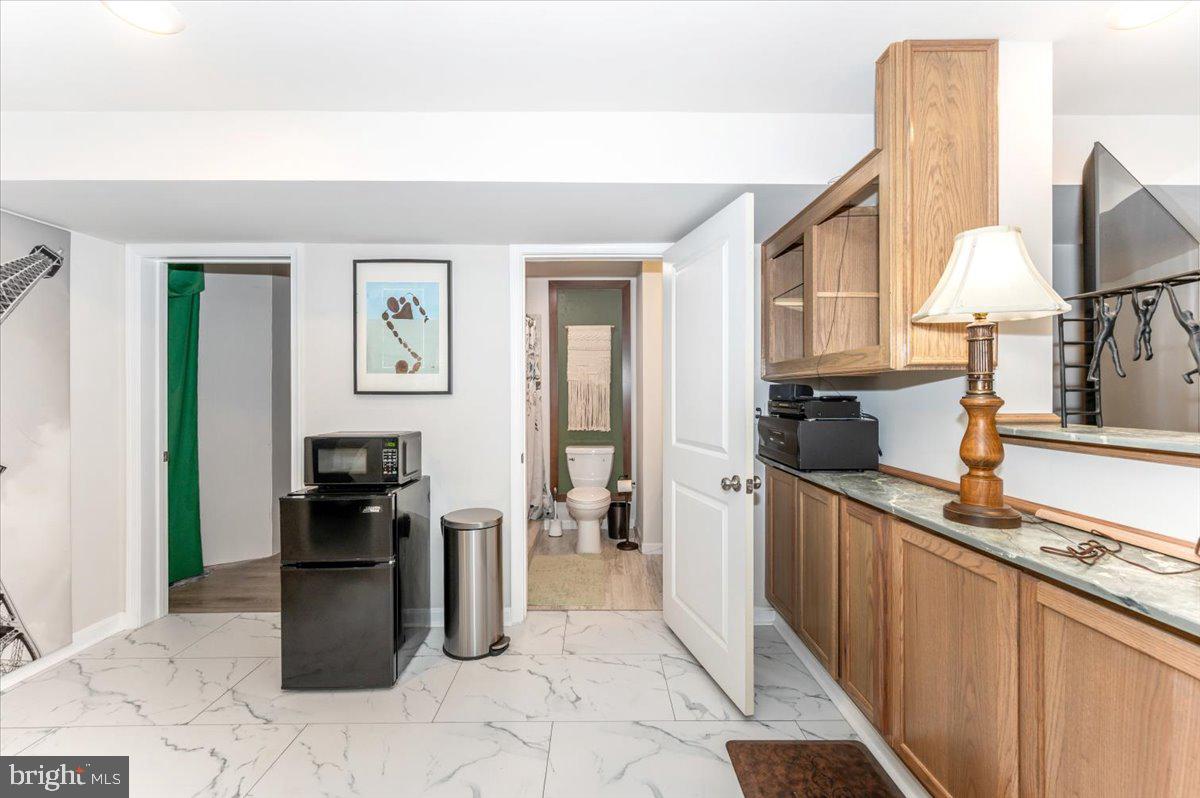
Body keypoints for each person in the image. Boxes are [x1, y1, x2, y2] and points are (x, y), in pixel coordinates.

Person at [1165, 284, 1200, 384]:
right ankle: (1187, 374)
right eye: (1185, 312)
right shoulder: (1185, 322)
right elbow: (1176, 308)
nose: (1188, 313)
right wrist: (1169, 289)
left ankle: (1187, 374)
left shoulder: (1194, 321)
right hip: (1194, 342)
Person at [1087, 295, 1126, 382]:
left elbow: (1118, 307)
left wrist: (1120, 297)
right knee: (1096, 355)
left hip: (1109, 336)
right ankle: (1090, 375)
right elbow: (1099, 308)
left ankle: (1119, 369)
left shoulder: (1112, 315)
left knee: (1115, 352)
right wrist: (1100, 298)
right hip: (1102, 336)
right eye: (1104, 307)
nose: (1105, 308)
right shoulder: (1103, 315)